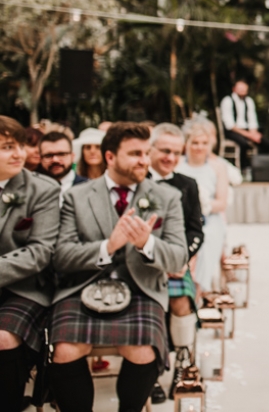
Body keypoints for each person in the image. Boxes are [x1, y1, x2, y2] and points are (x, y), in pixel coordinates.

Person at [48, 122, 188, 412]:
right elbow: (61, 256)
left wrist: (146, 244)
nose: (144, 160)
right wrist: (107, 247)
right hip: (82, 287)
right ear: (110, 157)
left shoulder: (167, 197)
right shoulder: (76, 196)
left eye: (146, 153)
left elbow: (178, 258)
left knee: (143, 351)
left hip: (141, 289)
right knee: (63, 350)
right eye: (135, 153)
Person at [0, 116, 60, 411]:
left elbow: (40, 252)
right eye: (7, 147)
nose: (19, 154)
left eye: (20, 145)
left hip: (24, 289)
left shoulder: (43, 190)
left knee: (2, 337)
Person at [147, 123, 206, 404]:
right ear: (151, 149)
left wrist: (182, 259)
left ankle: (183, 362)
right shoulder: (136, 181)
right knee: (151, 308)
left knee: (181, 300)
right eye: (164, 150)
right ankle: (152, 375)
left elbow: (196, 230)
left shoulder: (187, 185)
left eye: (175, 152)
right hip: (142, 264)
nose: (170, 157)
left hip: (176, 262)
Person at [176, 118, 229, 294]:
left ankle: (199, 289)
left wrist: (202, 205)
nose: (199, 147)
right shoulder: (177, 165)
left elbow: (221, 202)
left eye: (204, 143)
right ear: (187, 143)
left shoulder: (218, 167)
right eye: (195, 142)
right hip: (180, 218)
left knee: (207, 240)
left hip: (210, 218)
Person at [220, 80, 262, 170]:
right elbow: (230, 125)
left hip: (248, 130)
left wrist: (253, 133)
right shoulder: (227, 101)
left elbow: (252, 120)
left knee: (264, 142)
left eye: (244, 89)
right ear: (234, 89)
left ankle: (259, 169)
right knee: (243, 143)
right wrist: (249, 135)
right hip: (232, 131)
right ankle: (243, 167)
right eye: (240, 89)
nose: (243, 92)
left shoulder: (249, 101)